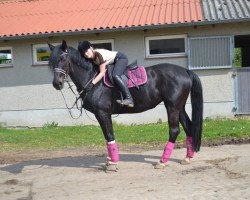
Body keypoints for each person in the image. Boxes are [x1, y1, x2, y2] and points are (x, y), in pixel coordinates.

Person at [78, 41, 134, 107]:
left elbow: (102, 72)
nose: (86, 54)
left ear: (91, 48)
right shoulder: (92, 58)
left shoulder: (99, 55)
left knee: (115, 75)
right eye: (84, 54)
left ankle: (129, 98)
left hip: (120, 58)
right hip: (112, 62)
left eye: (87, 51)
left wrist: (92, 83)